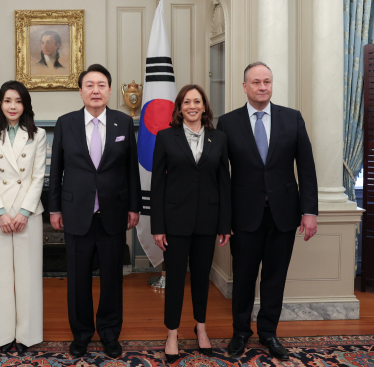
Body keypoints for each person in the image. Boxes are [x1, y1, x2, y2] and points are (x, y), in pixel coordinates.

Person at [217, 62, 318, 361]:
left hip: (284, 214)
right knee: (244, 278)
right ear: (245, 86)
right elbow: (221, 177)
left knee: (275, 277)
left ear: (272, 85)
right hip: (244, 216)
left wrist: (309, 211)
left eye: (267, 82)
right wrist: (224, 219)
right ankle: (240, 333)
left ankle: (269, 333)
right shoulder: (228, 123)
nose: (263, 87)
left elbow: (308, 169)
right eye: (256, 82)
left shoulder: (292, 118)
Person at [49, 63, 142, 359]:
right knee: (77, 280)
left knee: (113, 278)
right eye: (89, 85)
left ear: (110, 90)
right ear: (80, 91)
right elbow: (57, 169)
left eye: (101, 85)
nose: (96, 90)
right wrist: (53, 209)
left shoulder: (123, 123)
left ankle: (110, 333)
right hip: (76, 212)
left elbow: (131, 170)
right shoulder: (65, 123)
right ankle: (81, 334)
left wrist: (134, 206)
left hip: (114, 213)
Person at [150, 84, 231, 362]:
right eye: (187, 102)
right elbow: (157, 184)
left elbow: (224, 183)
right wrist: (157, 226)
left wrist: (225, 223)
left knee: (201, 278)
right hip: (174, 222)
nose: (193, 106)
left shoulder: (218, 138)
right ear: (179, 107)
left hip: (208, 221)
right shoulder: (165, 137)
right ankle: (172, 333)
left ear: (205, 107)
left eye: (197, 101)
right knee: (174, 279)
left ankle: (201, 327)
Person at [0, 81, 47, 353]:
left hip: (27, 214)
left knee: (28, 276)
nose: (12, 106)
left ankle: (27, 336)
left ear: (25, 105)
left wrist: (22, 212)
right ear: (0, 103)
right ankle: (3, 335)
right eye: (8, 100)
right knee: (0, 277)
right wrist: (1, 213)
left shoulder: (37, 135)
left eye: (18, 101)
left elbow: (38, 176)